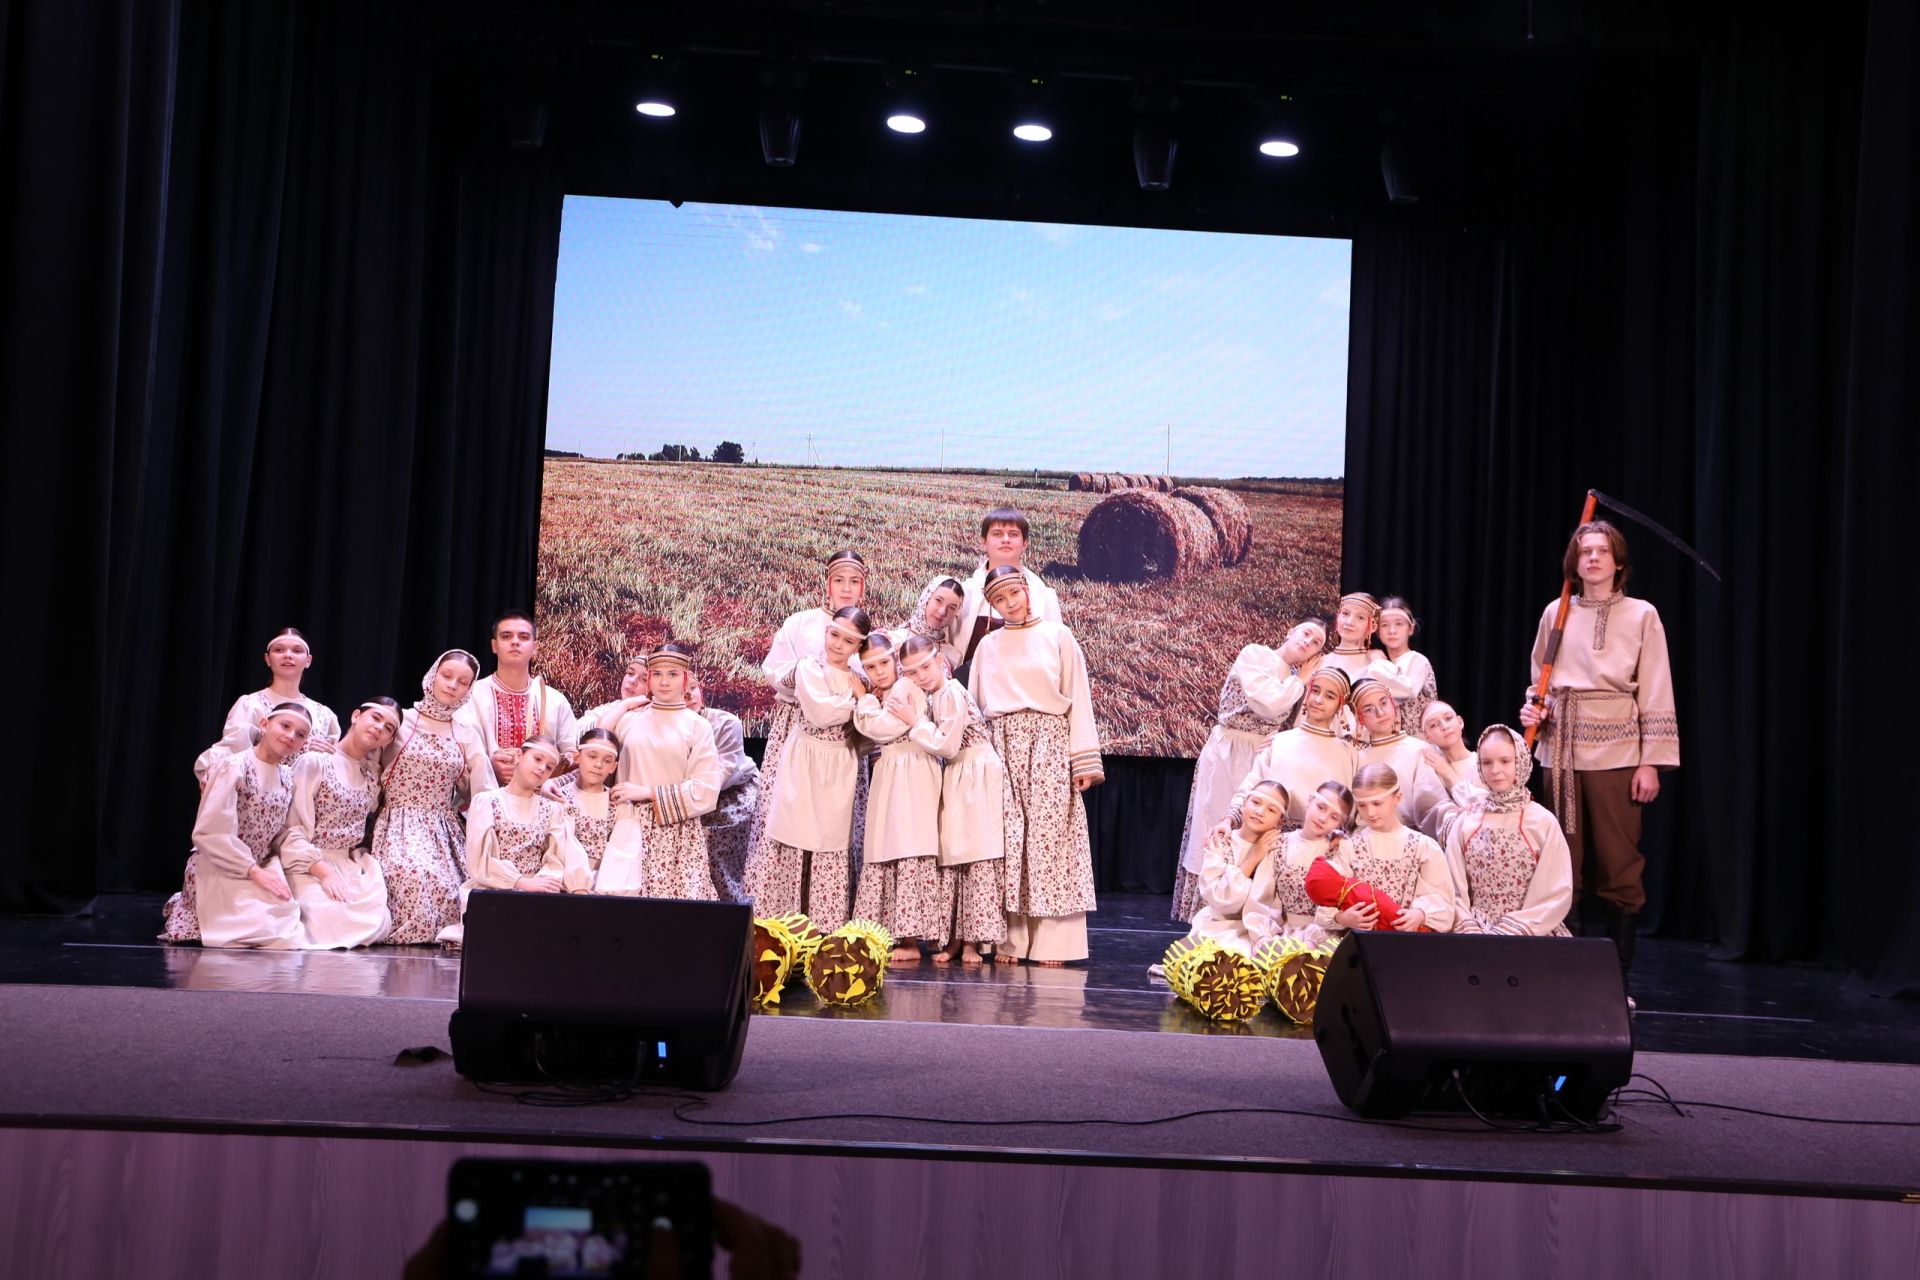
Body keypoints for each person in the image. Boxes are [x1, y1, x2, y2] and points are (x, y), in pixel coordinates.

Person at [1519, 519, 1679, 963]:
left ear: (1618, 561)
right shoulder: (1557, 612)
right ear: (1574, 562)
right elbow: (1540, 679)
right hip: (1561, 748)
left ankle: (1614, 978)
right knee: (1562, 860)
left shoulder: (1641, 614)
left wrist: (1652, 762)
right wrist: (1535, 706)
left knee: (1618, 862)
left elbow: (1656, 685)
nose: (1593, 558)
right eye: (1585, 551)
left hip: (1617, 751)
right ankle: (1567, 972)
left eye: (1602, 551)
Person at [968, 565, 1102, 965]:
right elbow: (975, 706)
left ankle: (1054, 944)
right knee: (1009, 842)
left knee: (1050, 840)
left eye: (1014, 594)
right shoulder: (988, 646)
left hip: (1048, 743)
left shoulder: (1057, 636)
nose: (1009, 604)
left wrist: (1082, 760)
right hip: (1002, 746)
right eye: (999, 600)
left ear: (1027, 591)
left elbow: (1077, 697)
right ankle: (1011, 940)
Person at [1171, 618, 1327, 921]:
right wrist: (1300, 680)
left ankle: (1245, 906)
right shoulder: (1256, 654)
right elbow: (1267, 703)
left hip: (1261, 754)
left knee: (1255, 824)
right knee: (1218, 819)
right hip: (1230, 749)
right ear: (1290, 632)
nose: (1309, 642)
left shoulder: (1299, 678)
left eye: (1317, 642)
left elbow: (1292, 721)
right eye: (1306, 633)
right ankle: (1209, 908)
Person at [743, 550, 869, 876]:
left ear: (863, 587)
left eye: (853, 582)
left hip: (843, 741)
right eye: (839, 581)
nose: (845, 588)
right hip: (795, 725)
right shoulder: (800, 623)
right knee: (787, 809)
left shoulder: (863, 636)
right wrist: (808, 684)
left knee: (835, 822)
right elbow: (774, 669)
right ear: (828, 584)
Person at [748, 606, 869, 930]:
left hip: (839, 763)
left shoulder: (861, 679)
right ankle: (780, 930)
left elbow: (866, 727)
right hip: (804, 761)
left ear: (858, 646)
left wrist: (863, 699)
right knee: (793, 833)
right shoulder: (809, 668)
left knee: (829, 841)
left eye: (848, 641)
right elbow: (820, 713)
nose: (838, 645)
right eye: (834, 635)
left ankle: (823, 929)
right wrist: (854, 700)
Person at [161, 701, 309, 948]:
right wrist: (252, 870)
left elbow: (278, 832)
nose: (290, 736)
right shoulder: (235, 766)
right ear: (264, 724)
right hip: (222, 864)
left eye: (300, 734)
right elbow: (211, 832)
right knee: (264, 931)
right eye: (285, 726)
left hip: (258, 865)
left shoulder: (286, 777)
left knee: (287, 925)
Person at [371, 650, 494, 943]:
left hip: (442, 828)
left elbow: (480, 790)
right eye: (447, 676)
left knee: (459, 886)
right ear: (433, 676)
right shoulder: (401, 721)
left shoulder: (466, 734)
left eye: (462, 682)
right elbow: (368, 762)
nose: (452, 685)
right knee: (414, 873)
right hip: (398, 822)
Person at [897, 635, 1007, 964]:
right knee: (955, 853)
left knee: (976, 853)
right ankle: (956, 940)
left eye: (926, 667)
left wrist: (913, 721)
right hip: (960, 773)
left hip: (975, 772)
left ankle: (973, 942)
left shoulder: (950, 693)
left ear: (940, 661)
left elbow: (946, 745)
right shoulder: (937, 694)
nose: (921, 677)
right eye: (912, 673)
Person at [851, 633, 947, 964]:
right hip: (893, 769)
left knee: (908, 843)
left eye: (882, 663)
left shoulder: (906, 688)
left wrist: (864, 699)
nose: (878, 672)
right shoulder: (892, 691)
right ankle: (892, 929)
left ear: (894, 659)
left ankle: (909, 937)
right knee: (888, 843)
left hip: (911, 768)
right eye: (869, 667)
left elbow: (880, 729)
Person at [281, 698, 403, 948]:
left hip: (346, 864)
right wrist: (324, 873)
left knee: (378, 919)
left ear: (388, 740)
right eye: (376, 718)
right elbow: (290, 830)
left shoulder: (369, 776)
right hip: (308, 863)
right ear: (356, 716)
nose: (380, 727)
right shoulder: (316, 762)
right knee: (328, 918)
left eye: (389, 728)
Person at [610, 643, 724, 901]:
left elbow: (705, 790)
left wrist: (649, 792)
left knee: (675, 916)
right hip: (628, 824)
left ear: (685, 680)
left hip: (675, 834)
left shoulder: (697, 726)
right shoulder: (629, 719)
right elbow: (596, 758)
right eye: (657, 674)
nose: (664, 682)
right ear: (648, 679)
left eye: (672, 675)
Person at [441, 737, 576, 945]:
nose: (541, 768)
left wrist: (541, 884)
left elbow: (554, 858)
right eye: (537, 759)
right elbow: (480, 860)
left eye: (549, 767)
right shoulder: (487, 801)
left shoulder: (551, 809)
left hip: (536, 893)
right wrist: (519, 882)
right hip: (494, 888)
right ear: (520, 757)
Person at [1445, 725, 1574, 938]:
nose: (1495, 770)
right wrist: (1467, 925)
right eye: (1487, 762)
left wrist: (1513, 929)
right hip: (1475, 931)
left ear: (1520, 761)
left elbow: (1556, 891)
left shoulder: (1542, 821)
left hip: (1530, 932)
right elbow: (1452, 886)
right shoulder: (1467, 820)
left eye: (1505, 761)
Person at [1315, 763, 1457, 936]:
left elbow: (1444, 900)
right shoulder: (1350, 847)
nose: (1370, 812)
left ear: (1397, 798)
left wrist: (1420, 914)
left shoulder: (1423, 846)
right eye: (1362, 805)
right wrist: (1343, 918)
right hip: (1362, 943)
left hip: (1407, 942)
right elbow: (1329, 895)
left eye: (1377, 803)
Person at [192, 628, 341, 788]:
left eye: (297, 651)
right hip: (261, 798)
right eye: (279, 650)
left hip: (305, 806)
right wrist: (214, 768)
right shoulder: (252, 704)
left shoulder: (323, 714)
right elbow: (233, 749)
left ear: (308, 660)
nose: (288, 655)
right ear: (268, 659)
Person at [1223, 666, 1357, 831]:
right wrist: (1230, 819)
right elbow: (1252, 784)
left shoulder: (1346, 753)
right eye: (1315, 691)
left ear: (1340, 706)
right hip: (1271, 838)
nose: (1318, 700)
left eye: (1330, 696)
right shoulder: (1279, 741)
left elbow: (1351, 806)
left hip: (1322, 845)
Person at [459, 609, 579, 787]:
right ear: (494, 645)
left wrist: (548, 770)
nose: (515, 642)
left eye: (523, 637)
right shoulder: (472, 696)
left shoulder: (555, 701)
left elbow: (572, 758)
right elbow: (457, 753)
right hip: (485, 804)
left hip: (541, 804)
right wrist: (488, 769)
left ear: (534, 647)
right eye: (506, 636)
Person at [947, 508, 1064, 681]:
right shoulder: (964, 593)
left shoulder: (1044, 597)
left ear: (1025, 543)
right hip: (969, 691)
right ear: (983, 542)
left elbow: (1058, 659)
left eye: (1013, 534)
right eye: (997, 533)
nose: (1006, 539)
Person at [1182, 779, 1291, 957]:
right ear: (1243, 805)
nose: (1260, 812)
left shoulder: (1279, 849)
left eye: (1271, 810)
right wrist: (1253, 856)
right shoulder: (1221, 842)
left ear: (1280, 822)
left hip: (1261, 930)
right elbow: (1220, 899)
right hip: (1218, 925)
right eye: (1255, 802)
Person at [1245, 780, 1354, 952]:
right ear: (1310, 800)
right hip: (1282, 934)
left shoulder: (1338, 851)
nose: (1323, 818)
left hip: (1323, 938)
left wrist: (1313, 941)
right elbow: (1261, 897)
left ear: (1341, 823)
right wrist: (1263, 936)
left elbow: (1338, 907)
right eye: (1320, 807)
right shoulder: (1280, 844)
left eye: (1334, 817)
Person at [1349, 678, 1454, 842]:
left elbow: (1430, 806)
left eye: (1384, 703)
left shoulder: (1418, 749)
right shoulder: (1356, 757)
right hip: (1364, 841)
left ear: (1393, 704)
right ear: (1359, 718)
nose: (1380, 713)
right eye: (1369, 709)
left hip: (1407, 839)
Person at [689, 681, 759, 904]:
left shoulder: (726, 723)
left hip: (732, 795)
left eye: (692, 688)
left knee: (716, 847)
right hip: (691, 796)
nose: (688, 695)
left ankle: (734, 910)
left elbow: (723, 773)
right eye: (681, 691)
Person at [554, 728, 620, 888]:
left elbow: (621, 854)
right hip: (563, 884)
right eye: (592, 756)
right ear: (577, 757)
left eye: (607, 760)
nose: (598, 764)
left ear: (613, 767)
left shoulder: (618, 804)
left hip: (603, 889)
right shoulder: (559, 798)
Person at [1366, 597, 1438, 736]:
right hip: (1390, 745)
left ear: (1410, 629)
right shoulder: (1378, 666)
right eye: (1385, 625)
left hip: (1419, 744)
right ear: (1378, 632)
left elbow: (1405, 689)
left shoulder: (1417, 660)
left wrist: (1379, 662)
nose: (1392, 631)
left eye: (1399, 624)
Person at [899, 576, 967, 671]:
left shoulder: (953, 657)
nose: (942, 612)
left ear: (956, 614)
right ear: (926, 598)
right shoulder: (895, 640)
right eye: (938, 600)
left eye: (951, 608)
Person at [578, 656, 650, 735]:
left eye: (644, 679)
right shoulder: (612, 707)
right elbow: (574, 735)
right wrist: (625, 705)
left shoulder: (652, 715)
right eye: (630, 673)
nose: (632, 681)